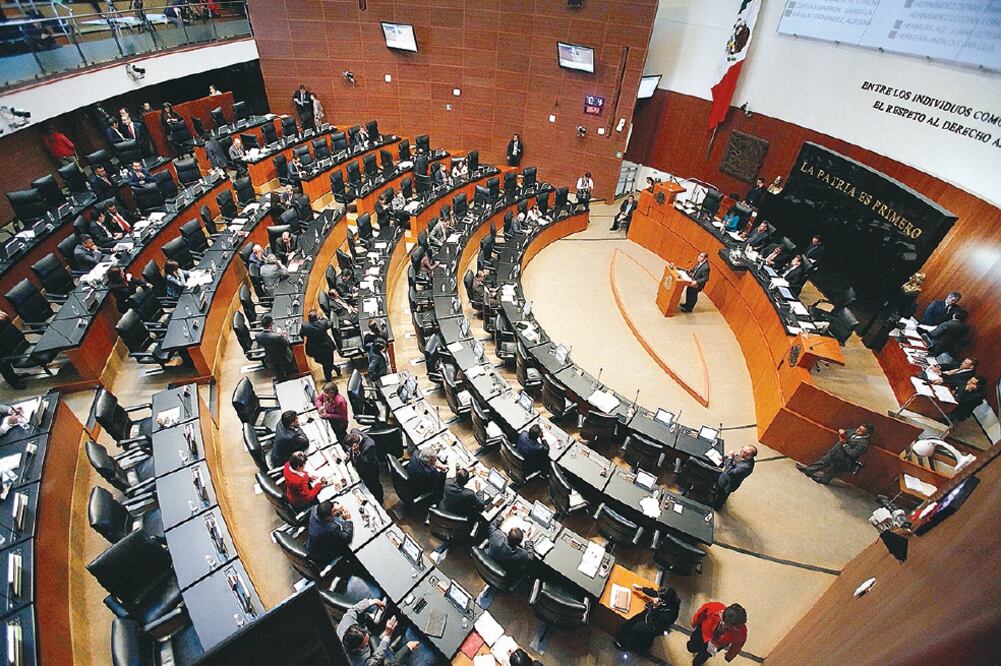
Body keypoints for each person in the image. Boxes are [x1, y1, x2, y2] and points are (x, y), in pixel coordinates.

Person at [337, 599, 417, 666]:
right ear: (358, 648)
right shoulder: (358, 663)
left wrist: (372, 602)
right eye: (365, 644)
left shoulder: (346, 623)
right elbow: (376, 658)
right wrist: (388, 635)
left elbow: (354, 609)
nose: (367, 642)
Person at [797, 423, 873, 485]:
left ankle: (824, 480)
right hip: (835, 452)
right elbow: (845, 431)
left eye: (861, 431)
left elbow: (852, 453)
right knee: (823, 461)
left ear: (867, 434)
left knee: (833, 470)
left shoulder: (863, 444)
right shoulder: (854, 431)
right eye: (858, 428)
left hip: (843, 459)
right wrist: (842, 431)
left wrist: (844, 444)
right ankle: (809, 470)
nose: (857, 431)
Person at [615, 585, 681, 654]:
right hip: (650, 616)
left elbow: (652, 622)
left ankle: (625, 645)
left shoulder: (670, 615)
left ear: (665, 601)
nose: (657, 598)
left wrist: (654, 608)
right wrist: (642, 589)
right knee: (631, 622)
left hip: (652, 626)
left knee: (636, 628)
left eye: (660, 599)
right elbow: (656, 594)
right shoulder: (669, 599)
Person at [307, 500, 353, 567]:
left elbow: (325, 506)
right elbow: (347, 538)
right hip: (322, 555)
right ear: (327, 517)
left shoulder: (315, 509)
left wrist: (335, 505)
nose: (336, 511)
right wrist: (348, 520)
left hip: (311, 546)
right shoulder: (331, 529)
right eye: (334, 511)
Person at [347, 429, 384, 504]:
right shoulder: (354, 432)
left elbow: (367, 463)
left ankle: (379, 500)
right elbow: (354, 430)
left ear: (355, 444)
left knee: (374, 486)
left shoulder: (369, 446)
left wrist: (357, 453)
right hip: (360, 468)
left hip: (371, 471)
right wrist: (348, 453)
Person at [302, 311, 341, 381]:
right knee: (328, 362)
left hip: (313, 348)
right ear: (317, 318)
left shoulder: (305, 326)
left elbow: (302, 335)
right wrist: (322, 318)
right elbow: (330, 323)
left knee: (322, 361)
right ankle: (332, 373)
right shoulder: (323, 323)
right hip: (326, 347)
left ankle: (330, 376)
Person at [254, 314, 296, 380]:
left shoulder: (258, 335)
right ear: (271, 324)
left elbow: (263, 342)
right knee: (294, 348)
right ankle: (292, 371)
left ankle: (281, 376)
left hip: (270, 357)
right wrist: (282, 335)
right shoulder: (278, 337)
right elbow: (287, 343)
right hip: (283, 357)